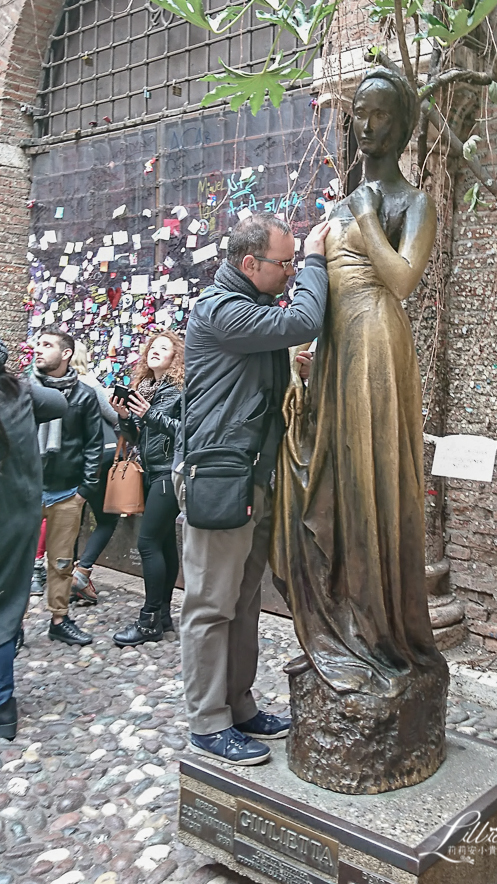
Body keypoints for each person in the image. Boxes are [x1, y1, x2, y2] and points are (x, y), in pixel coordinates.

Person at [271, 67, 445, 698]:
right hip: (337, 345)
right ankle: (344, 613)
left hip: (376, 345)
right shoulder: (343, 201)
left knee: (373, 479)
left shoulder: (411, 202)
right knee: (337, 483)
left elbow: (402, 282)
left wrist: (370, 218)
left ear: (401, 126)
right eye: (359, 115)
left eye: (379, 116)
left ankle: (384, 629)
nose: (366, 127)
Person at [175, 212, 329, 766]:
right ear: (248, 264)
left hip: (252, 478)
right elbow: (306, 319)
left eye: (293, 262)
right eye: (283, 263)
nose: (290, 272)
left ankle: (239, 707)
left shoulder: (255, 309)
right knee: (210, 605)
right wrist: (315, 257)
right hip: (221, 478)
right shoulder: (222, 312)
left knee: (242, 603)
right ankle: (208, 722)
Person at [0, 339, 67, 739]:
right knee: (6, 606)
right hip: (13, 518)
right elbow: (58, 405)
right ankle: (3, 705)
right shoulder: (20, 394)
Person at [111, 331, 183, 646]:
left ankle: (149, 618)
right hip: (151, 471)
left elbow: (185, 432)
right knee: (164, 544)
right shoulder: (145, 389)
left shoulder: (180, 390)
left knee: (148, 543)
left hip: (169, 472)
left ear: (175, 357)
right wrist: (125, 415)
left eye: (163, 348)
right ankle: (163, 616)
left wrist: (147, 413)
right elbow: (136, 437)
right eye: (153, 346)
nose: (155, 351)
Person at [33, 325, 104, 646]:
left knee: (62, 563)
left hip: (66, 492)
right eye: (37, 344)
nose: (38, 349)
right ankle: (12, 628)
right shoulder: (24, 390)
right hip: (27, 491)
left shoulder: (84, 395)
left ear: (66, 354)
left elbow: (93, 445)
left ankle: (59, 620)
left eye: (46, 345)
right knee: (15, 563)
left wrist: (83, 492)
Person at [70, 341, 119, 605]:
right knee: (107, 518)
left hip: (67, 461)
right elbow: (112, 415)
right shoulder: (88, 382)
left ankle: (64, 576)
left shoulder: (52, 385)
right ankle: (82, 571)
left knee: (72, 520)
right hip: (97, 459)